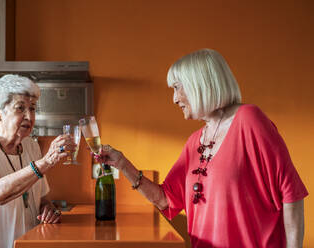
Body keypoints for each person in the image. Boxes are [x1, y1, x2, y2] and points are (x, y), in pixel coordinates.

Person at [99, 49, 308, 248]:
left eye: (177, 87)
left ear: (199, 83)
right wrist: (123, 164)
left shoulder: (249, 120)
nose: (174, 98)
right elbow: (165, 199)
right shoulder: (195, 142)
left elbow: (291, 194)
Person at [0, 74, 74, 248]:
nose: (29, 116)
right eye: (20, 108)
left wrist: (49, 210)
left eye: (33, 108)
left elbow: (42, 199)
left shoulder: (31, 146)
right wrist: (46, 162)